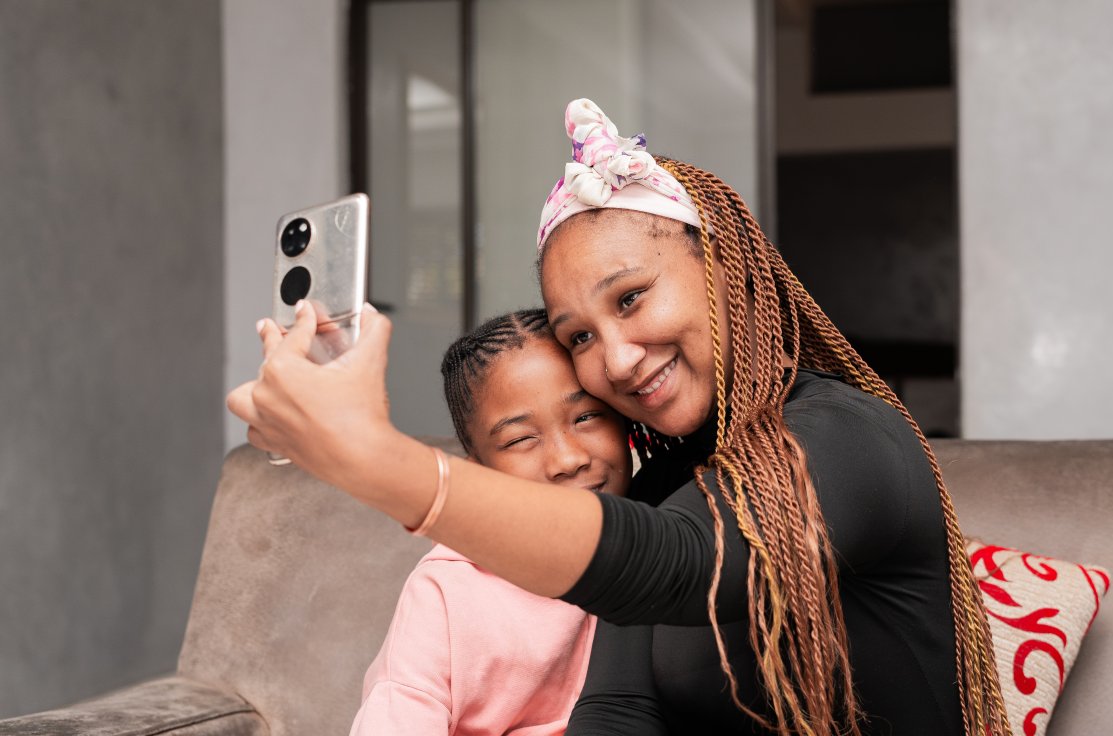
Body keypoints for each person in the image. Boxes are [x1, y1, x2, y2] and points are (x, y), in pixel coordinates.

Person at [228, 99, 1011, 736]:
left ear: (724, 268)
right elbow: (619, 709)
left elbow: (681, 566)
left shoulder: (851, 441)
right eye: (580, 337)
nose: (620, 358)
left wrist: (376, 462)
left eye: (631, 298)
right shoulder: (667, 475)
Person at [349, 308, 631, 735]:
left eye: (587, 416)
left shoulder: (660, 536)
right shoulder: (446, 595)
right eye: (521, 439)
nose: (568, 460)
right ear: (479, 470)